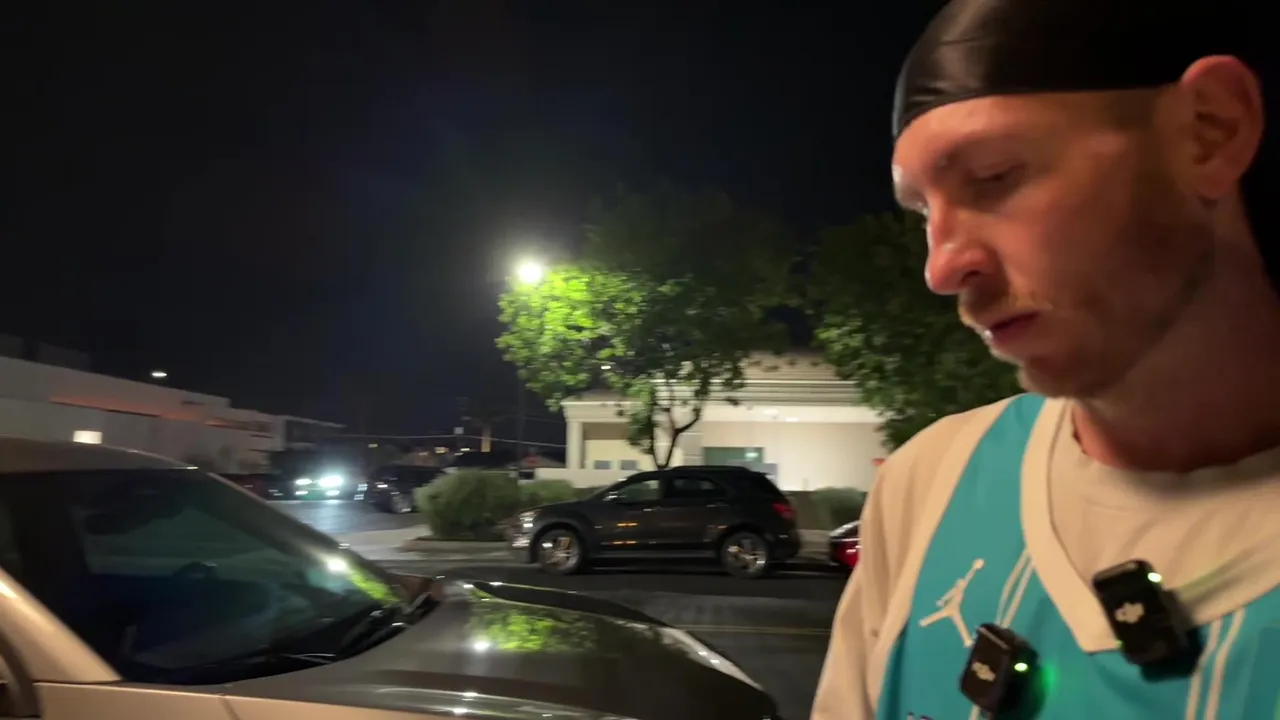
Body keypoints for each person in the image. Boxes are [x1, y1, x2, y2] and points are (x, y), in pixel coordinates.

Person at [812, 0, 1279, 718]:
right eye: (924, 213)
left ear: (1209, 131)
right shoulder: (930, 485)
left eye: (995, 176)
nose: (941, 268)